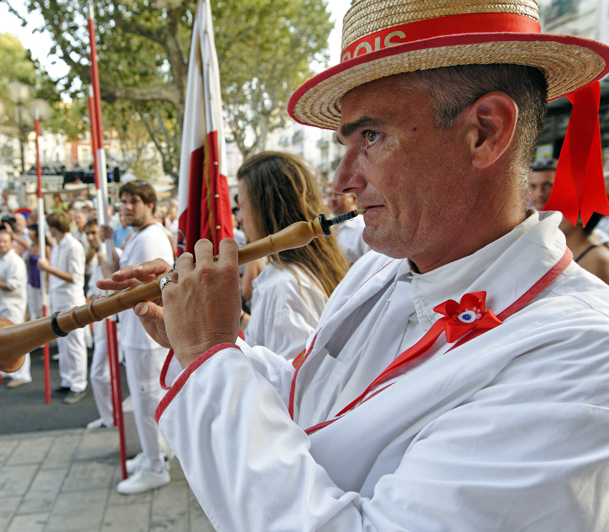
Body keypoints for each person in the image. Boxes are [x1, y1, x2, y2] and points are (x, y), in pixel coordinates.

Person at [102, 1, 609, 529]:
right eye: (346, 143)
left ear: (485, 130)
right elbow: (310, 403)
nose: (343, 180)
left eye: (371, 137)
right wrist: (201, 341)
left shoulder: (586, 354)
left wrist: (209, 357)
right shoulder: (378, 271)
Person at [236, 152, 349, 359]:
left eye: (242, 206)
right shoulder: (291, 277)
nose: (239, 217)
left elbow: (288, 382)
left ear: (265, 210)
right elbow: (275, 333)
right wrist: (238, 318)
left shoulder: (284, 286)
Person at [101, 180, 175, 495]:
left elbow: (130, 284)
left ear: (150, 205)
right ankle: (153, 453)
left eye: (134, 201)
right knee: (147, 401)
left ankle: (156, 467)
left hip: (145, 336)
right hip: (137, 332)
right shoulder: (139, 235)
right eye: (123, 201)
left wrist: (109, 270)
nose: (127, 206)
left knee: (146, 403)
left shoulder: (150, 237)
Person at [529, 159, 609, 283]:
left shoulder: (598, 257)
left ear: (580, 216)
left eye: (548, 185)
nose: (539, 193)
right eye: (533, 186)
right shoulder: (546, 240)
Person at [37, 211, 89, 403]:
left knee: (74, 342)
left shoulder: (73, 246)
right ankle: (67, 379)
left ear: (54, 228)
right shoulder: (58, 246)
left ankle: (78, 383)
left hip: (70, 299)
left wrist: (48, 269)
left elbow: (75, 277)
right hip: (58, 298)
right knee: (62, 342)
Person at [0, 228, 32, 387]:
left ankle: (23, 375)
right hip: (0, 304)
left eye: (5, 241)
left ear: (11, 243)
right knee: (4, 341)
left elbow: (12, 286)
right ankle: (7, 370)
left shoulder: (15, 262)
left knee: (19, 340)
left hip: (13, 306)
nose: (2, 244)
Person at [83, 219, 116, 429]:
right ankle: (109, 417)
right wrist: (93, 296)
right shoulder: (94, 259)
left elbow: (116, 287)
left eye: (94, 233)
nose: (91, 237)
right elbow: (89, 290)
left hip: (115, 322)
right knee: (100, 373)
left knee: (99, 372)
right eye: (88, 234)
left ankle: (112, 417)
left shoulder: (112, 255)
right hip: (101, 322)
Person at [328, 190, 370, 263]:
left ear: (354, 199)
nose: (333, 199)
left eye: (338, 194)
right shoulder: (326, 222)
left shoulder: (364, 227)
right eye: (330, 195)